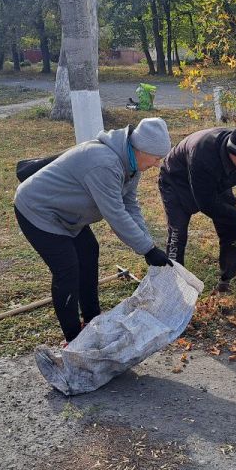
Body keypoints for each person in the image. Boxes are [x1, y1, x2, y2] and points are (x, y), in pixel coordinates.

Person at [13, 117, 174, 345]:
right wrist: (147, 249)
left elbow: (130, 204)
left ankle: (91, 319)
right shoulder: (105, 163)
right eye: (156, 158)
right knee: (67, 269)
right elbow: (116, 214)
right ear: (141, 149)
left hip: (66, 214)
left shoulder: (132, 165)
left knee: (89, 252)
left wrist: (149, 244)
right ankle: (74, 339)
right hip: (38, 209)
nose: (158, 164)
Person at [158, 126, 236, 293]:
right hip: (176, 181)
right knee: (177, 233)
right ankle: (173, 285)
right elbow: (207, 203)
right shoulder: (203, 153)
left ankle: (227, 281)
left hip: (216, 182)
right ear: (229, 152)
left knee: (231, 227)